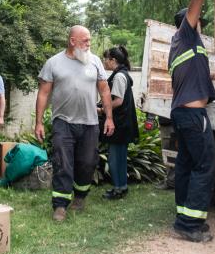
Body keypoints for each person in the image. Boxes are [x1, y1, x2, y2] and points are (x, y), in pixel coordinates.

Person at [168, 0, 215, 243]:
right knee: (205, 166)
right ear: (189, 22)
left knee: (186, 165)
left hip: (183, 113)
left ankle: (184, 217)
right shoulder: (186, 35)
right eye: (198, 20)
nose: (201, 23)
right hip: (192, 115)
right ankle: (190, 225)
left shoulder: (181, 47)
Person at [35, 25, 114, 222]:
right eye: (85, 40)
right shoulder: (53, 63)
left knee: (87, 163)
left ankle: (80, 197)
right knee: (62, 163)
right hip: (63, 122)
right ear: (72, 41)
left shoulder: (95, 61)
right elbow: (43, 93)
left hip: (90, 123)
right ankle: (60, 205)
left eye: (89, 40)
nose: (89, 44)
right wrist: (39, 122)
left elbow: (104, 90)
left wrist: (109, 117)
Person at [100, 46, 139, 200]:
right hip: (124, 123)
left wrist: (101, 109)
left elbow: (118, 101)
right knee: (120, 158)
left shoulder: (119, 77)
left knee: (115, 159)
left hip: (119, 124)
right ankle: (122, 187)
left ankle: (118, 189)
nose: (104, 61)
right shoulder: (123, 74)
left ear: (113, 60)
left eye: (106, 59)